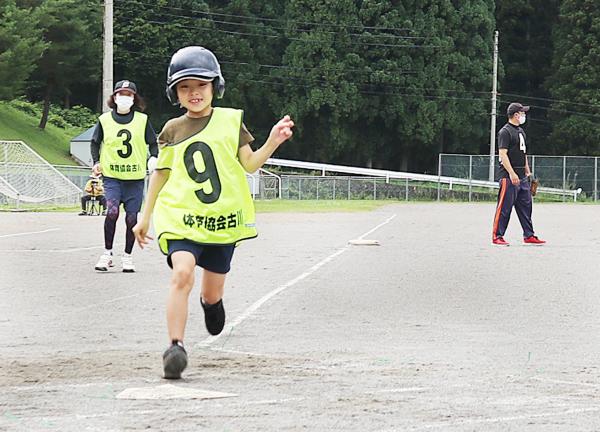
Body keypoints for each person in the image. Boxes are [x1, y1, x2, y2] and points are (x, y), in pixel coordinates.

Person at [132, 46, 294, 379]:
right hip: (182, 218)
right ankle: (175, 347)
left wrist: (273, 142)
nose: (193, 93)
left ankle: (211, 302)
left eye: (201, 85)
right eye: (185, 87)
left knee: (211, 290)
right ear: (175, 92)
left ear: (214, 87)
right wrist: (144, 216)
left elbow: (249, 164)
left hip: (221, 221)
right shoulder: (171, 131)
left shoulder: (231, 121)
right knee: (182, 273)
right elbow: (160, 173)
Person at [91, 80, 158, 272]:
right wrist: (96, 162)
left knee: (131, 219)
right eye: (121, 94)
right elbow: (95, 142)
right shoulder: (104, 120)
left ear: (134, 98)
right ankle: (107, 253)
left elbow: (153, 143)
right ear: (114, 97)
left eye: (129, 95)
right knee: (112, 212)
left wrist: (153, 158)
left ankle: (127, 256)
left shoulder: (142, 120)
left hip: (134, 178)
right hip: (112, 176)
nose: (124, 98)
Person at [492, 102, 545, 246]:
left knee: (526, 206)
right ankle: (497, 236)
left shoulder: (521, 131)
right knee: (505, 207)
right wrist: (512, 173)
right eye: (522, 113)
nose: (524, 115)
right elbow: (503, 154)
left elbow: (523, 153)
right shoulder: (505, 131)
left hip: (522, 176)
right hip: (509, 176)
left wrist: (527, 171)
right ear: (516, 115)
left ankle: (529, 235)